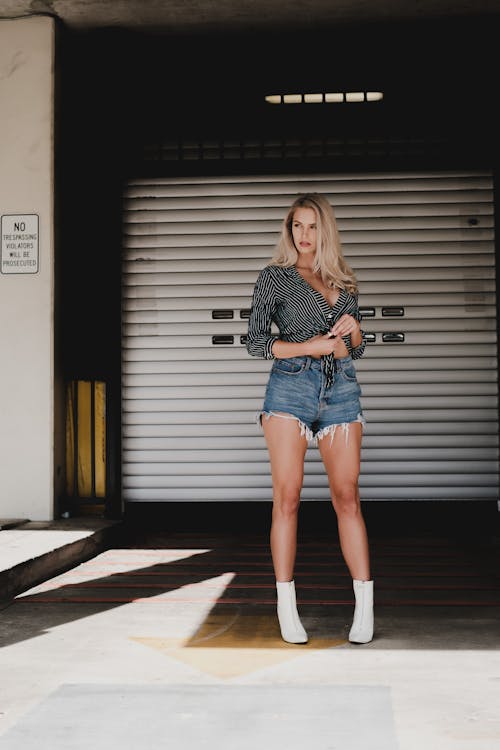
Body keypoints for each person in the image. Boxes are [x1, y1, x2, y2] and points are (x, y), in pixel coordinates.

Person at [246, 192, 373, 645]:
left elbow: (354, 348)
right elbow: (257, 343)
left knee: (347, 497)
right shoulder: (274, 278)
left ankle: (364, 609)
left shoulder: (344, 280)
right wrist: (310, 347)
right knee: (289, 498)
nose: (304, 235)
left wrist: (352, 331)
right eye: (297, 226)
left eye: (312, 226)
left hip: (341, 390)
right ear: (289, 230)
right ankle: (287, 607)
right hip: (290, 389)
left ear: (325, 230)